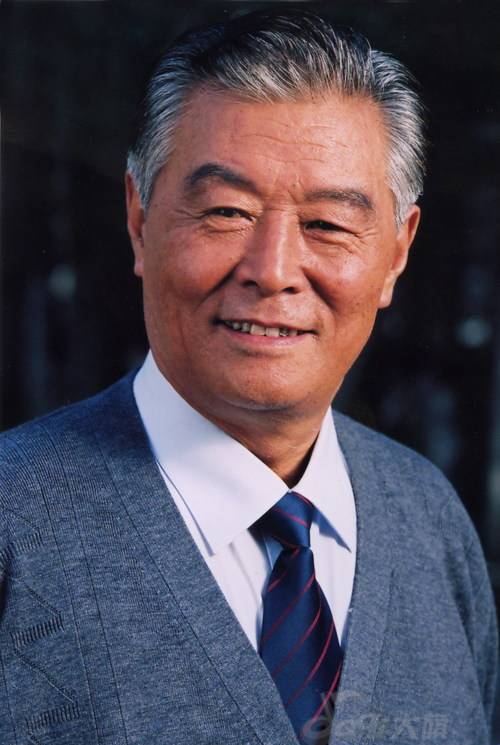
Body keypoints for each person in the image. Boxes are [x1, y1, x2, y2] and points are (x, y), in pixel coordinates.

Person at [0, 9, 497, 745]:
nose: (272, 270)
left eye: (327, 224)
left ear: (396, 252)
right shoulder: (13, 524)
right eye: (227, 211)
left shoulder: (430, 519)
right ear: (139, 220)